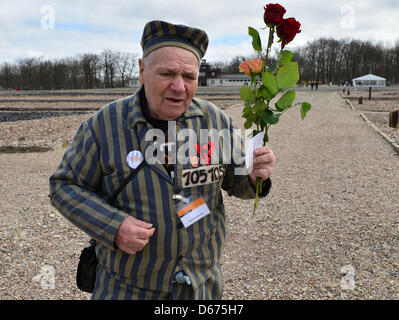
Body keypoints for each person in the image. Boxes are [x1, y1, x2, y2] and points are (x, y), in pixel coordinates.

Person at [49, 20, 276, 300]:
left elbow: (237, 183)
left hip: (201, 287)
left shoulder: (218, 123)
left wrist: (255, 178)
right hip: (126, 289)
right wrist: (113, 226)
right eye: (167, 73)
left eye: (189, 77)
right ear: (143, 71)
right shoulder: (103, 127)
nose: (179, 87)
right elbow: (64, 186)